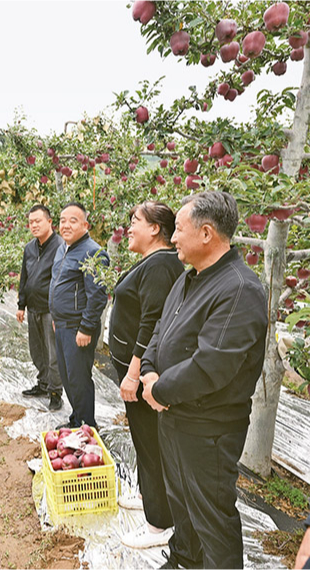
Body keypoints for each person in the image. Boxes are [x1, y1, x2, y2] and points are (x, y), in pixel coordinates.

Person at [140, 191, 267, 570]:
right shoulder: (189, 279)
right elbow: (161, 329)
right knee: (181, 501)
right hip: (174, 417)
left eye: (179, 229)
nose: (173, 237)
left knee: (212, 516)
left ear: (207, 233)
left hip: (209, 427)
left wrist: (159, 389)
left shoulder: (239, 289)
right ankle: (183, 559)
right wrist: (149, 369)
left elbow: (211, 365)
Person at [107, 201, 183, 550]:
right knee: (144, 439)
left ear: (155, 229)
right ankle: (149, 497)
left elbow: (152, 322)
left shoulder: (160, 265)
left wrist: (134, 372)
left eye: (135, 220)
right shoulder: (154, 262)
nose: (129, 227)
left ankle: (158, 524)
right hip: (134, 366)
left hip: (140, 371)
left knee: (151, 443)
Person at [49, 202, 108, 429]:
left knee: (79, 378)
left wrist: (86, 327)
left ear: (85, 225)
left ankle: (86, 426)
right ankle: (76, 420)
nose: (66, 225)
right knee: (67, 377)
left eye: (73, 221)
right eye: (62, 220)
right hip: (62, 324)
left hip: (77, 327)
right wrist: (56, 318)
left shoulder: (93, 253)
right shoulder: (62, 249)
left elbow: (97, 296)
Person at [17, 204, 64, 410]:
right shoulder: (30, 248)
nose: (34, 225)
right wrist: (21, 304)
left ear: (50, 222)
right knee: (37, 350)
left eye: (38, 221)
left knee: (53, 354)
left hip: (50, 309)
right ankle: (43, 384)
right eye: (31, 222)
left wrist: (58, 312)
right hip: (33, 308)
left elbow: (61, 281)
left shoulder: (60, 247)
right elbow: (24, 277)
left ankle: (55, 392)